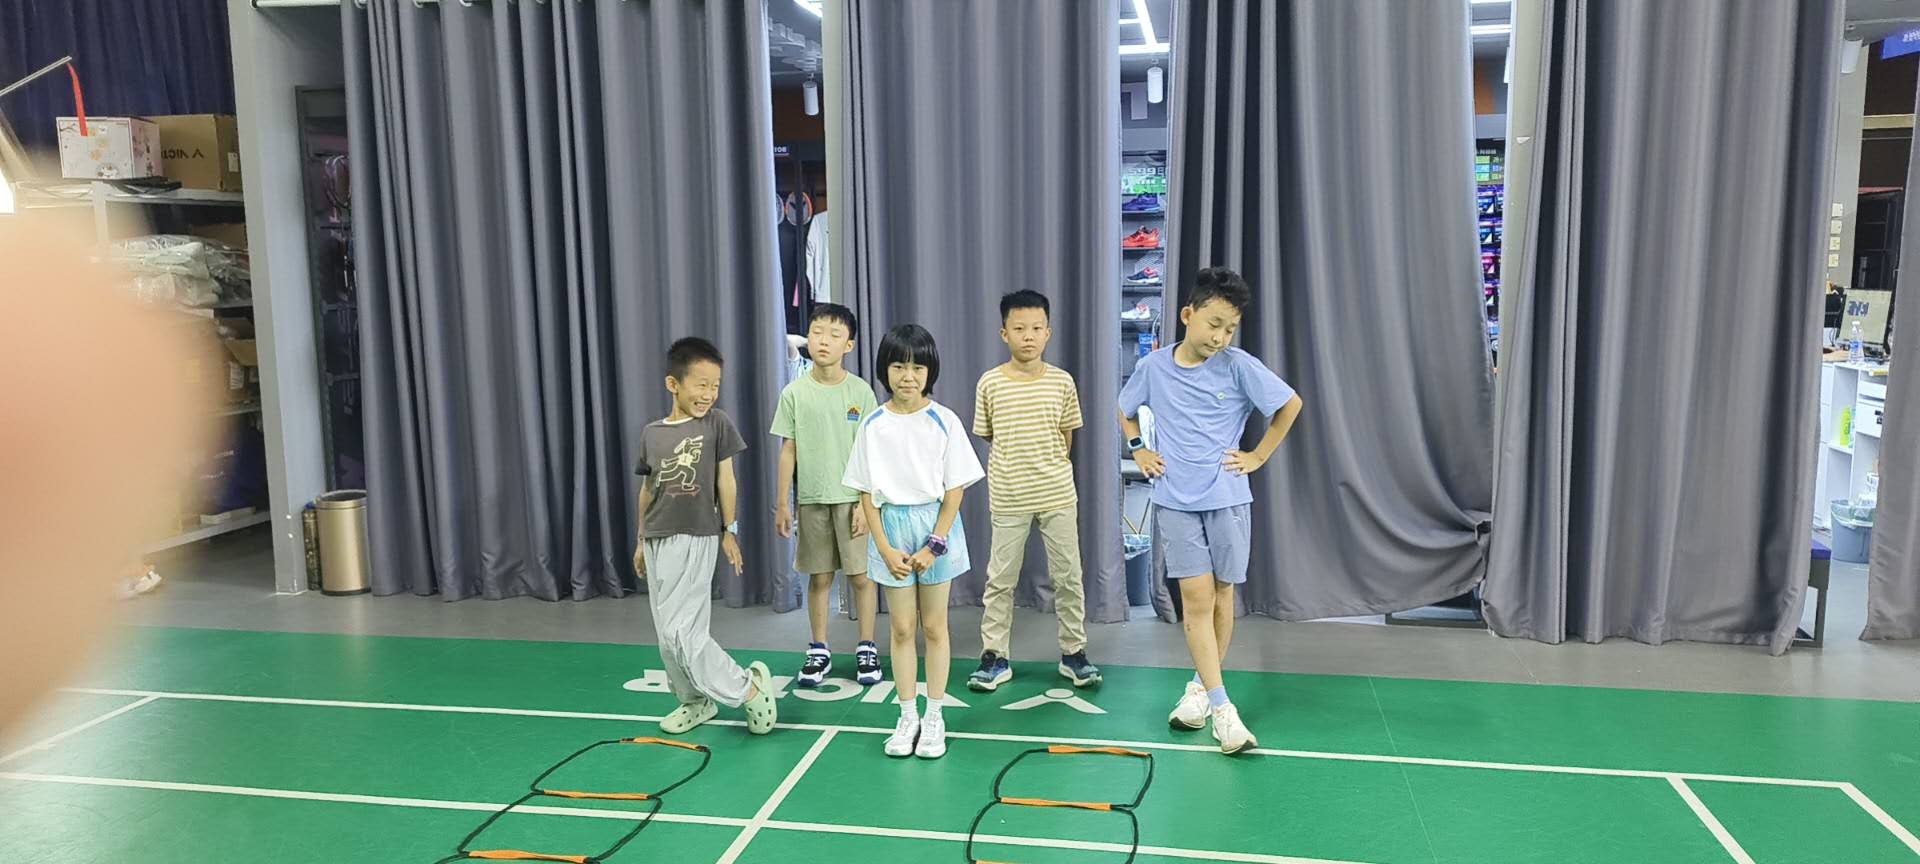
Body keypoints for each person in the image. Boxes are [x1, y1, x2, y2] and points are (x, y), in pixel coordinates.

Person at [1117, 267, 1303, 755]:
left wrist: (1257, 456)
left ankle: (1199, 690)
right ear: (1187, 315)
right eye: (1214, 324)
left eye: (1230, 329)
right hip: (1175, 501)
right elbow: (1125, 408)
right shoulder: (1153, 367)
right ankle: (1223, 710)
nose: (1220, 337)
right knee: (1196, 601)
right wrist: (1138, 448)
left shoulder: (1239, 366)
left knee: (1222, 597)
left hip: (1228, 499)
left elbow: (1290, 405)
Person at [843, 324, 985, 759]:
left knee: (934, 626)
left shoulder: (944, 420)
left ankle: (935, 716)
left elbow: (955, 490)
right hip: (890, 529)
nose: (908, 376)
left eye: (917, 367)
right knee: (902, 628)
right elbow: (866, 493)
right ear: (885, 369)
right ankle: (907, 716)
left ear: (930, 372)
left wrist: (934, 545)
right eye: (899, 366)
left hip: (935, 527)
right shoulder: (872, 424)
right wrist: (885, 548)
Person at [632, 337, 778, 736]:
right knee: (667, 637)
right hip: (657, 538)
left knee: (685, 632)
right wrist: (641, 540)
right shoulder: (651, 433)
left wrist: (729, 529)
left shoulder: (716, 424)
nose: (709, 394)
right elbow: (648, 490)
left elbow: (726, 480)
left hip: (696, 536)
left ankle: (748, 688)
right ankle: (695, 701)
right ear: (673, 384)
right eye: (701, 384)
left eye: (715, 385)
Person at [968, 290, 1099, 693]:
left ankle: (1074, 653)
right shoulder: (990, 382)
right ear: (1003, 333)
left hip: (1057, 494)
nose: (1028, 336)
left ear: (1048, 333)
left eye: (1037, 328)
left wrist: (1046, 467)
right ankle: (994, 657)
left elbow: (1066, 436)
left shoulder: (1062, 381)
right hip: (1009, 495)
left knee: (1069, 577)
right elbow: (989, 435)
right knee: (999, 580)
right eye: (1019, 328)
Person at [771, 303, 884, 688]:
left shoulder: (861, 392)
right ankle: (818, 648)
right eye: (817, 332)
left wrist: (866, 503)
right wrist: (783, 503)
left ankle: (866, 647)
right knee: (819, 578)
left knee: (861, 578)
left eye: (834, 335)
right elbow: (788, 449)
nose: (823, 341)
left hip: (853, 502)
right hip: (812, 500)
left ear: (848, 345)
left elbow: (871, 452)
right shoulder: (794, 393)